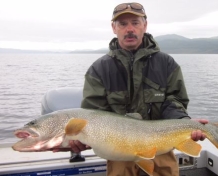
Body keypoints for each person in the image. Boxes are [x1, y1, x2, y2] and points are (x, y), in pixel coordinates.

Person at [70, 2, 207, 176]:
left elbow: (175, 101)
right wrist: (81, 137)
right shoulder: (99, 69)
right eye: (123, 24)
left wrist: (183, 123)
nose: (129, 29)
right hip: (119, 151)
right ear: (114, 28)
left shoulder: (166, 64)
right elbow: (93, 113)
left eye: (135, 23)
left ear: (145, 25)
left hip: (161, 147)